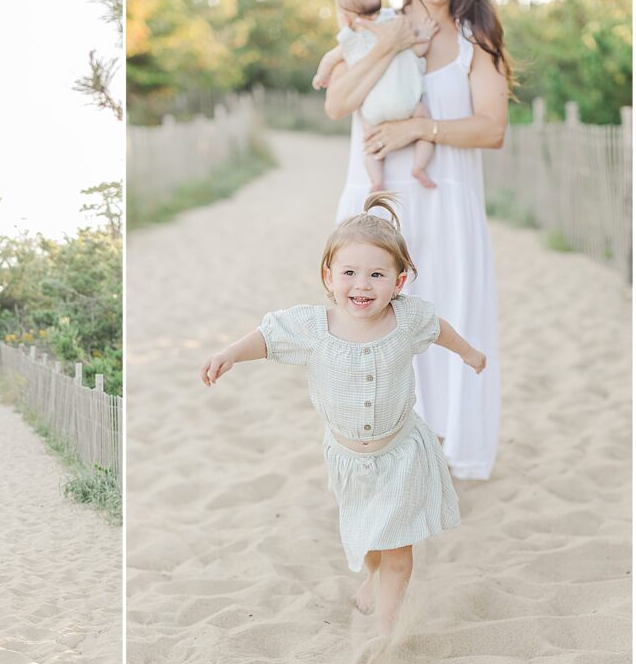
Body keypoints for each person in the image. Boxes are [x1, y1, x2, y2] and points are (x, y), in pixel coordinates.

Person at [200, 193, 485, 634]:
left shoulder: (407, 320)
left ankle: (386, 633)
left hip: (401, 454)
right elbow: (268, 337)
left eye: (377, 275)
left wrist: (468, 352)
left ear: (399, 281)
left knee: (398, 551)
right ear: (328, 277)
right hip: (349, 461)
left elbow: (439, 329)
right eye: (349, 273)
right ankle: (372, 575)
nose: (362, 285)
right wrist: (231, 354)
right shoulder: (314, 328)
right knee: (370, 536)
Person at [324, 0, 510, 481]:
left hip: (447, 204)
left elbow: (491, 129)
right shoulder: (370, 22)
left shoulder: (479, 38)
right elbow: (339, 104)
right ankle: (378, 455)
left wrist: (419, 131)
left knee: (444, 320)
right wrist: (390, 43)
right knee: (368, 326)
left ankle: (441, 453)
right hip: (374, 206)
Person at [313, 0, 438, 192]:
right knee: (425, 125)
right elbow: (419, 48)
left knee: (369, 145)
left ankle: (376, 181)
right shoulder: (395, 25)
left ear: (347, 18)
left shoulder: (350, 41)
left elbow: (330, 59)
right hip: (407, 104)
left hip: (373, 111)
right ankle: (419, 166)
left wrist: (321, 76)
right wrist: (426, 35)